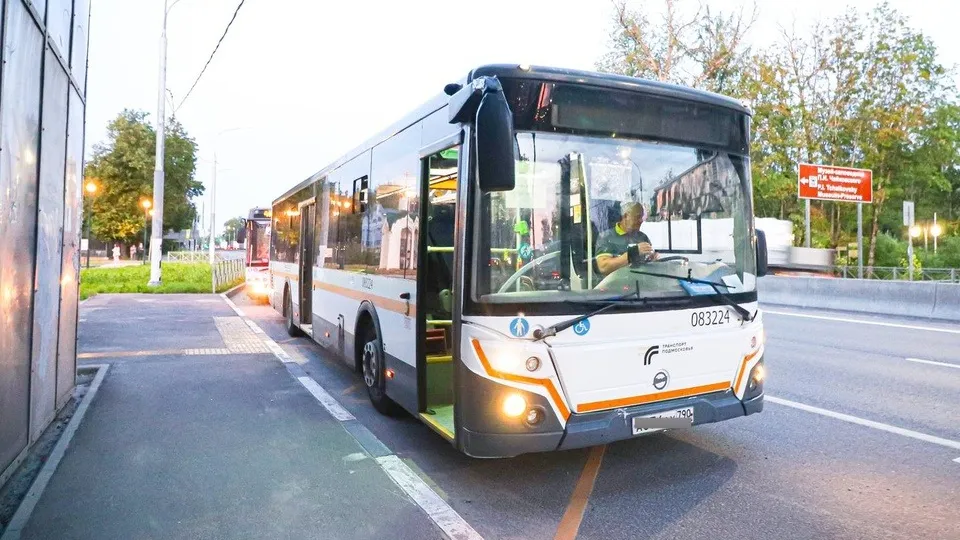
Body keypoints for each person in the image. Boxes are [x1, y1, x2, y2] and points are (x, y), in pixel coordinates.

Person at [595, 202, 657, 275]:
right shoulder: (606, 237)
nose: (641, 220)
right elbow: (603, 267)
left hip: (640, 282)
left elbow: (647, 260)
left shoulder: (642, 237)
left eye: (642, 217)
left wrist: (652, 258)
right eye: (637, 217)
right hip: (616, 284)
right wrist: (633, 253)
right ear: (625, 216)